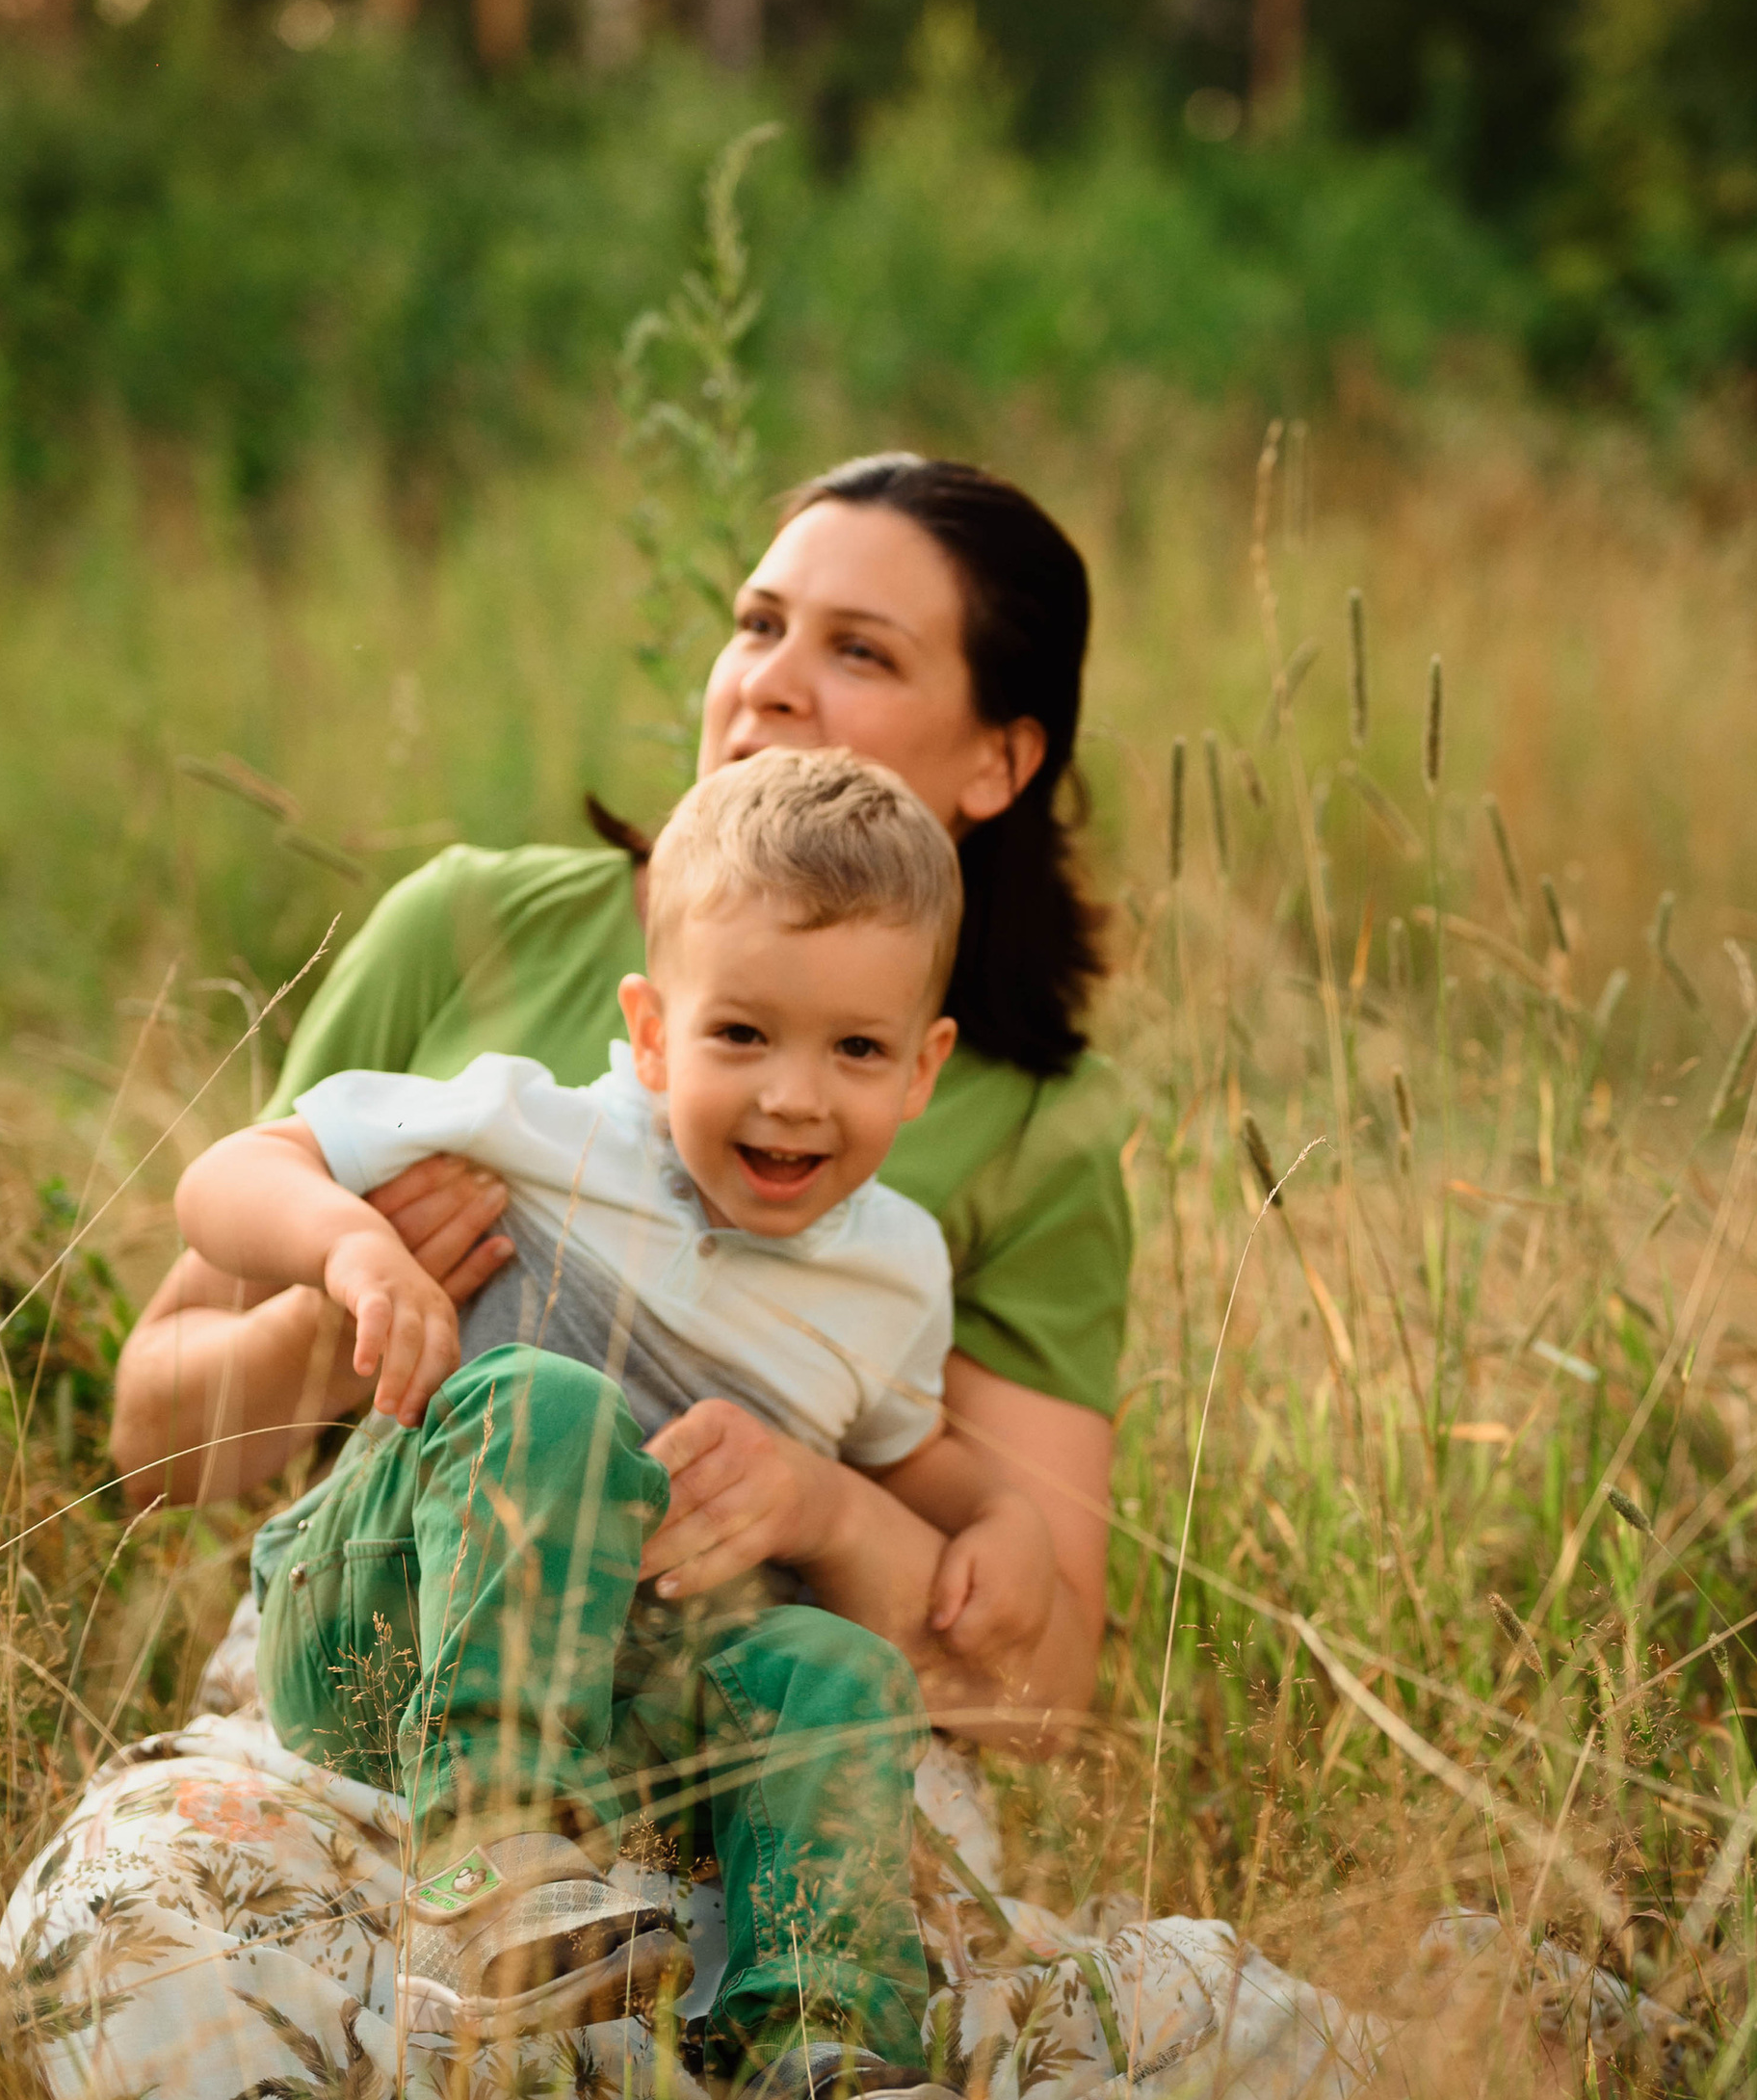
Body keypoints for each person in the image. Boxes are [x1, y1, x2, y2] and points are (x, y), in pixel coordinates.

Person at [171, 748, 1046, 2100]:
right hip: (389, 1620)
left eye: (855, 1049)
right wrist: (347, 1254)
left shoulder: (893, 1270)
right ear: (649, 1034)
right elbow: (229, 1176)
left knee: (837, 1672)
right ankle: (482, 1873)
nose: (793, 1093)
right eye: (742, 1034)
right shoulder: (540, 1126)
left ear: (924, 1065)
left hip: (619, 1706)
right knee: (561, 1409)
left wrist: (1006, 1524)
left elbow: (929, 1457)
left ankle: (821, 2072)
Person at [111, 451, 1126, 1751]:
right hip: (388, 1677)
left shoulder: (1033, 1129)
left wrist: (829, 1512)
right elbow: (151, 1451)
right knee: (132, 1950)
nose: (768, 678)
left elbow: (1034, 1699)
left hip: (723, 1725)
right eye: (758, 625)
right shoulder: (471, 927)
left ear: (999, 760)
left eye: (861, 653)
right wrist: (357, 1305)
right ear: (646, 1033)